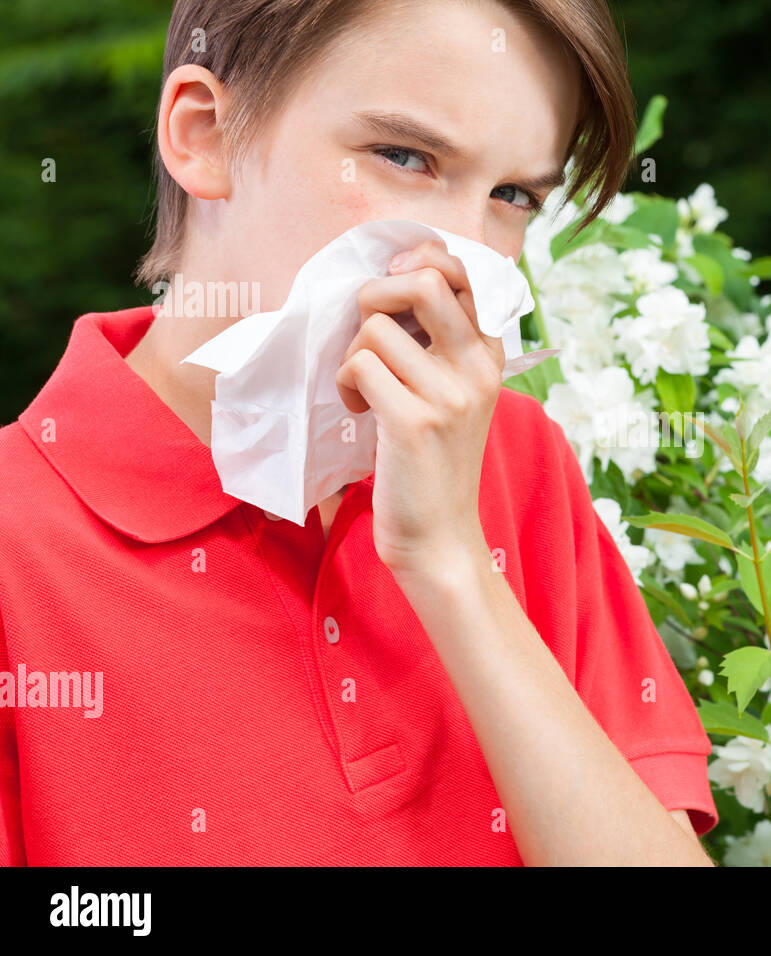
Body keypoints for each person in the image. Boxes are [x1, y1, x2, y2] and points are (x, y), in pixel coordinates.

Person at [0, 0, 718, 865]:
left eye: (513, 195)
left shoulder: (518, 460)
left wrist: (451, 561)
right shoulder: (20, 543)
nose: (455, 255)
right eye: (405, 157)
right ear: (203, 135)